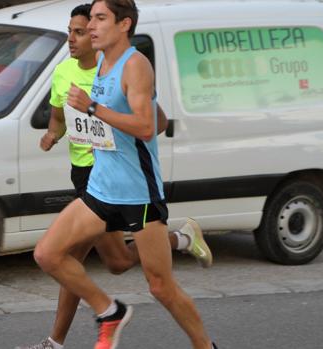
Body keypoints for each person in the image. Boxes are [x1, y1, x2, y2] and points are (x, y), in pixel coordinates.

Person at [19, 4, 212, 349]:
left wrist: (93, 108)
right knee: (48, 254)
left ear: (124, 24)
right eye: (90, 19)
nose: (91, 26)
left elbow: (147, 126)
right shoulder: (104, 64)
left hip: (137, 193)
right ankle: (109, 311)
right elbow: (146, 119)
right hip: (100, 188)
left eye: (100, 18)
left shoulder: (135, 65)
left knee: (160, 287)